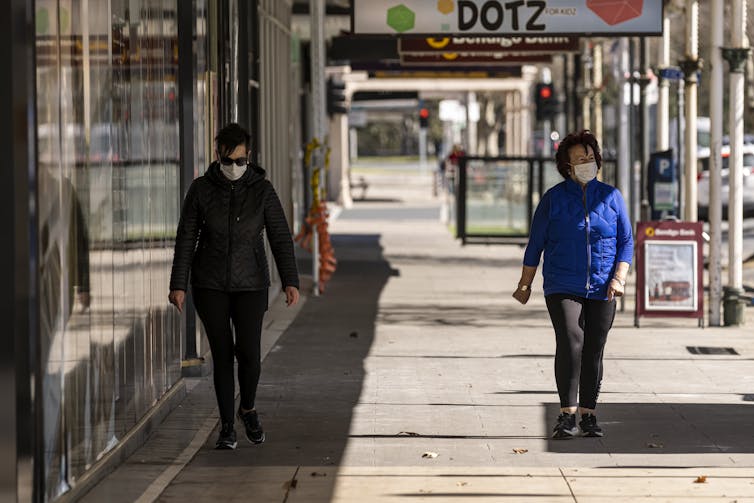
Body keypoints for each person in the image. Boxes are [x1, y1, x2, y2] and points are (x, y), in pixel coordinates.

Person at [168, 123, 300, 449]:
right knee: (223, 355)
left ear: (249, 156)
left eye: (240, 161)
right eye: (228, 161)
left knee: (250, 355)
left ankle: (248, 408)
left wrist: (290, 280)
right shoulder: (200, 190)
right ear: (218, 157)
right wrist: (178, 284)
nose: (234, 168)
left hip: (252, 284)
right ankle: (227, 427)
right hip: (209, 283)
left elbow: (280, 237)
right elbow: (186, 237)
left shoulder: (262, 190)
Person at [512, 130, 633, 439]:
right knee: (570, 340)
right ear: (566, 165)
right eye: (580, 159)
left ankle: (589, 415)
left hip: (604, 284)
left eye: (591, 158)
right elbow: (535, 243)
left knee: (594, 348)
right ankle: (567, 415)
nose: (587, 164)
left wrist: (619, 277)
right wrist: (524, 285)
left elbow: (626, 241)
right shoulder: (553, 199)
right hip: (562, 282)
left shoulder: (612, 197)